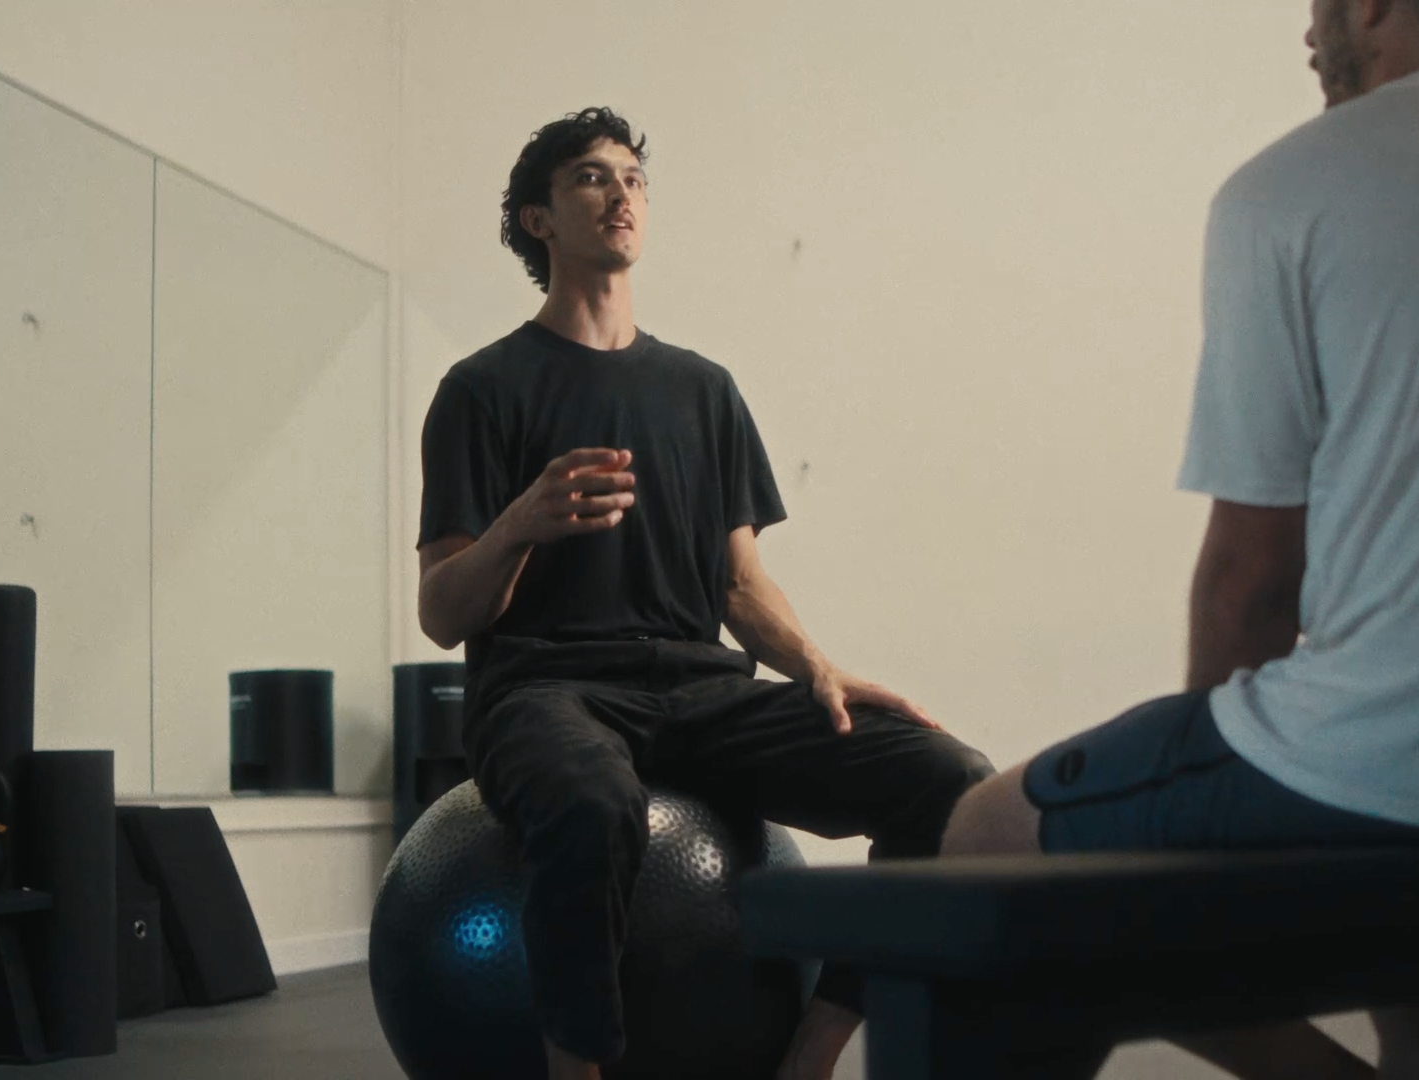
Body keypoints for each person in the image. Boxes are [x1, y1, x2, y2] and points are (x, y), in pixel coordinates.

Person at [940, 1, 1419, 1078]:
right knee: (1374, 709)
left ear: (1374, 4)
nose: (1310, 34)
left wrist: (1191, 861)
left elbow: (1251, 583)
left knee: (986, 838)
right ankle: (1416, 1062)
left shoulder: (1288, 191)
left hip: (1418, 767)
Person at [414, 107, 995, 1080]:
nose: (622, 194)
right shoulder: (482, 389)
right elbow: (442, 613)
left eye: (634, 179)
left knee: (952, 777)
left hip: (699, 691)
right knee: (594, 801)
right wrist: (520, 523)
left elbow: (739, 583)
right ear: (537, 220)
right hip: (546, 691)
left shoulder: (703, 391)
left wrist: (817, 668)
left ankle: (812, 1053)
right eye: (592, 177)